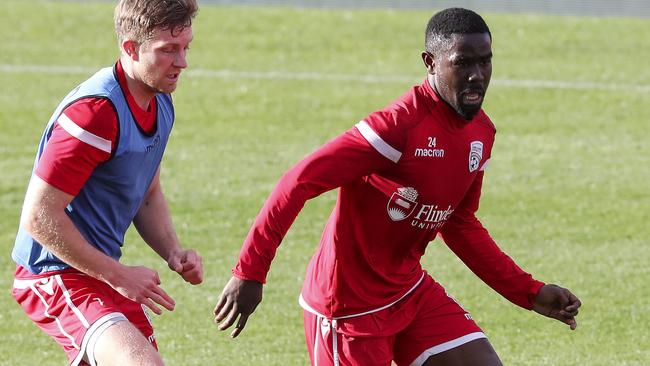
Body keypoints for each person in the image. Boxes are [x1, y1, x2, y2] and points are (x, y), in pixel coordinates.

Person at [214, 7, 581, 366]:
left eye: (485, 61)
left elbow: (460, 223)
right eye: (463, 62)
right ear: (430, 62)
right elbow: (298, 182)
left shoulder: (481, 132)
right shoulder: (396, 128)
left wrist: (529, 292)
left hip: (407, 291)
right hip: (348, 310)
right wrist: (250, 272)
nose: (477, 75)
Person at [10, 1, 202, 365]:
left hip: (97, 271)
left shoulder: (160, 101)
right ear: (130, 48)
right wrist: (118, 275)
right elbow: (38, 217)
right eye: (168, 50)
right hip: (53, 273)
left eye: (185, 48)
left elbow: (146, 194)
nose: (182, 63)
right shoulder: (94, 115)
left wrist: (173, 252)